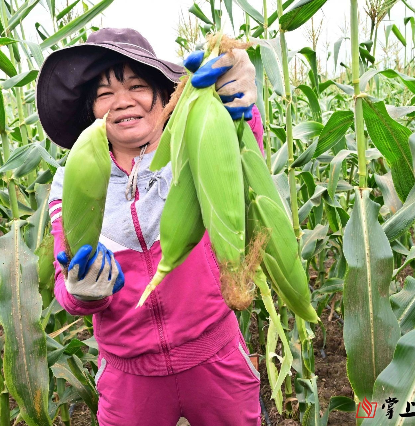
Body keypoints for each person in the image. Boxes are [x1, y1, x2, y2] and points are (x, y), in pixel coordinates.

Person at [36, 27, 264, 425]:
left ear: (165, 96)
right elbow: (65, 284)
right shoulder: (70, 182)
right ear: (92, 111)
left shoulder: (196, 144)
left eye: (137, 86)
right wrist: (82, 291)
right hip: (129, 376)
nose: (122, 101)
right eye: (105, 93)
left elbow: (244, 156)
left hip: (215, 357)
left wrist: (240, 96)